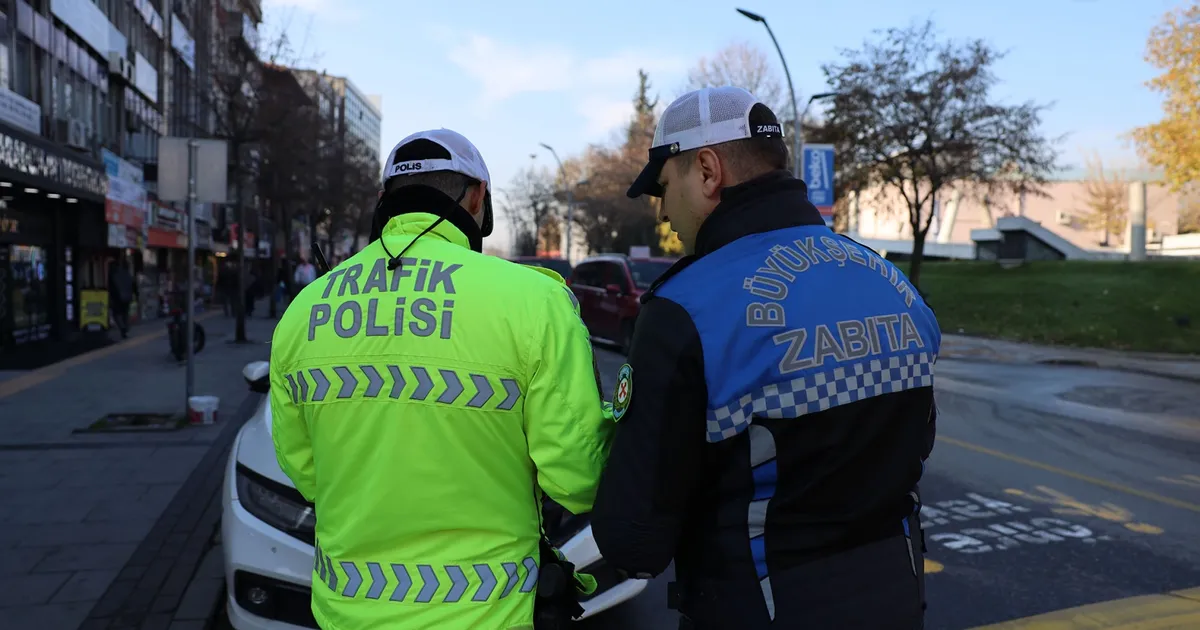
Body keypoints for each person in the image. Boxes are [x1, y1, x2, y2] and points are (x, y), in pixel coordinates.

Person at [590, 86, 941, 630]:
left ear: (707, 171)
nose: (665, 212)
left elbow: (635, 540)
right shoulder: (889, 281)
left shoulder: (688, 307)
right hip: (895, 598)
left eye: (664, 188)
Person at [270, 128, 615, 630]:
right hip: (490, 615)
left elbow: (305, 472)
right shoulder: (532, 303)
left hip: (346, 613)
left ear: (384, 203)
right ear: (478, 199)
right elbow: (580, 479)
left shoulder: (304, 311)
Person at [107, 254, 137, 339]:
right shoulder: (127, 274)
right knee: (125, 313)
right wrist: (134, 295)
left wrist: (111, 297)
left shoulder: (113, 275)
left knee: (117, 314)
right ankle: (125, 327)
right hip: (127, 297)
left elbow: (111, 288)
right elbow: (133, 285)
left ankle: (122, 327)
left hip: (117, 297)